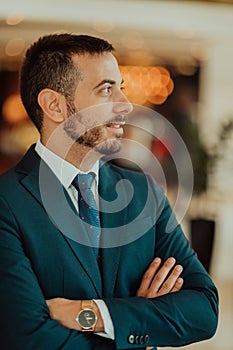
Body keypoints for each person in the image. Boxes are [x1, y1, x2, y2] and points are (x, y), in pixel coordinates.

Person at [0, 33, 218, 350]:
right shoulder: (7, 204)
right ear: (54, 105)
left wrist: (91, 315)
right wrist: (138, 323)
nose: (126, 105)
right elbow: (30, 338)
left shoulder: (144, 193)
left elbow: (204, 312)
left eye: (121, 87)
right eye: (106, 89)